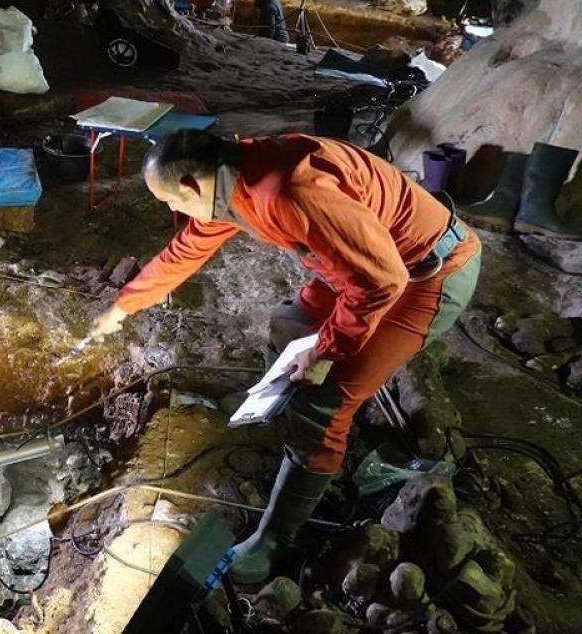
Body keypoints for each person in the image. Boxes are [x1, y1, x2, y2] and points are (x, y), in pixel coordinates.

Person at [88, 131, 481, 584]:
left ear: (194, 186)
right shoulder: (232, 176)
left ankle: (275, 539)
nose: (171, 211)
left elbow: (382, 282)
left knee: (323, 399)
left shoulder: (286, 191)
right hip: (362, 264)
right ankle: (271, 403)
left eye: (169, 200)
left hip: (426, 274)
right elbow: (188, 248)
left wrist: (326, 348)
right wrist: (124, 304)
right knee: (290, 323)